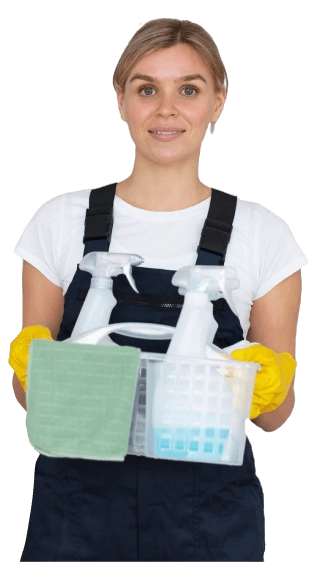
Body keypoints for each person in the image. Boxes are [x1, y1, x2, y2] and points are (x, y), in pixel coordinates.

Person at [12, 18, 306, 563]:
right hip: (78, 518)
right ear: (122, 100)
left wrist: (261, 381)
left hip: (207, 523)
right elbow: (34, 402)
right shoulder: (60, 222)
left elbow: (273, 417)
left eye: (188, 89)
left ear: (218, 101)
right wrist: (35, 363)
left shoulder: (264, 233)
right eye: (147, 88)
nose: (166, 109)